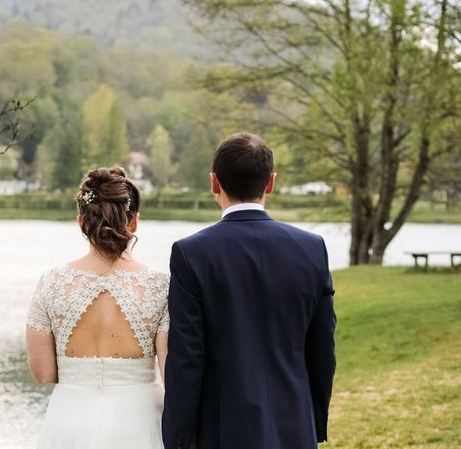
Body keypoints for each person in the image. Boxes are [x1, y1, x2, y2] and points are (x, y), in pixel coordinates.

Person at [162, 132, 336, 449]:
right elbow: (323, 350)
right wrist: (314, 421)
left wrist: (178, 438)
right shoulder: (312, 248)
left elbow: (186, 358)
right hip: (294, 424)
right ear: (270, 183)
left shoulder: (192, 254)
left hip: (222, 428)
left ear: (214, 183)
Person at [26, 166, 169, 449]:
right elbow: (171, 373)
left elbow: (42, 372)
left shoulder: (52, 282)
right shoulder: (160, 286)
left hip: (69, 418)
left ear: (81, 222)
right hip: (138, 420)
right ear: (134, 222)